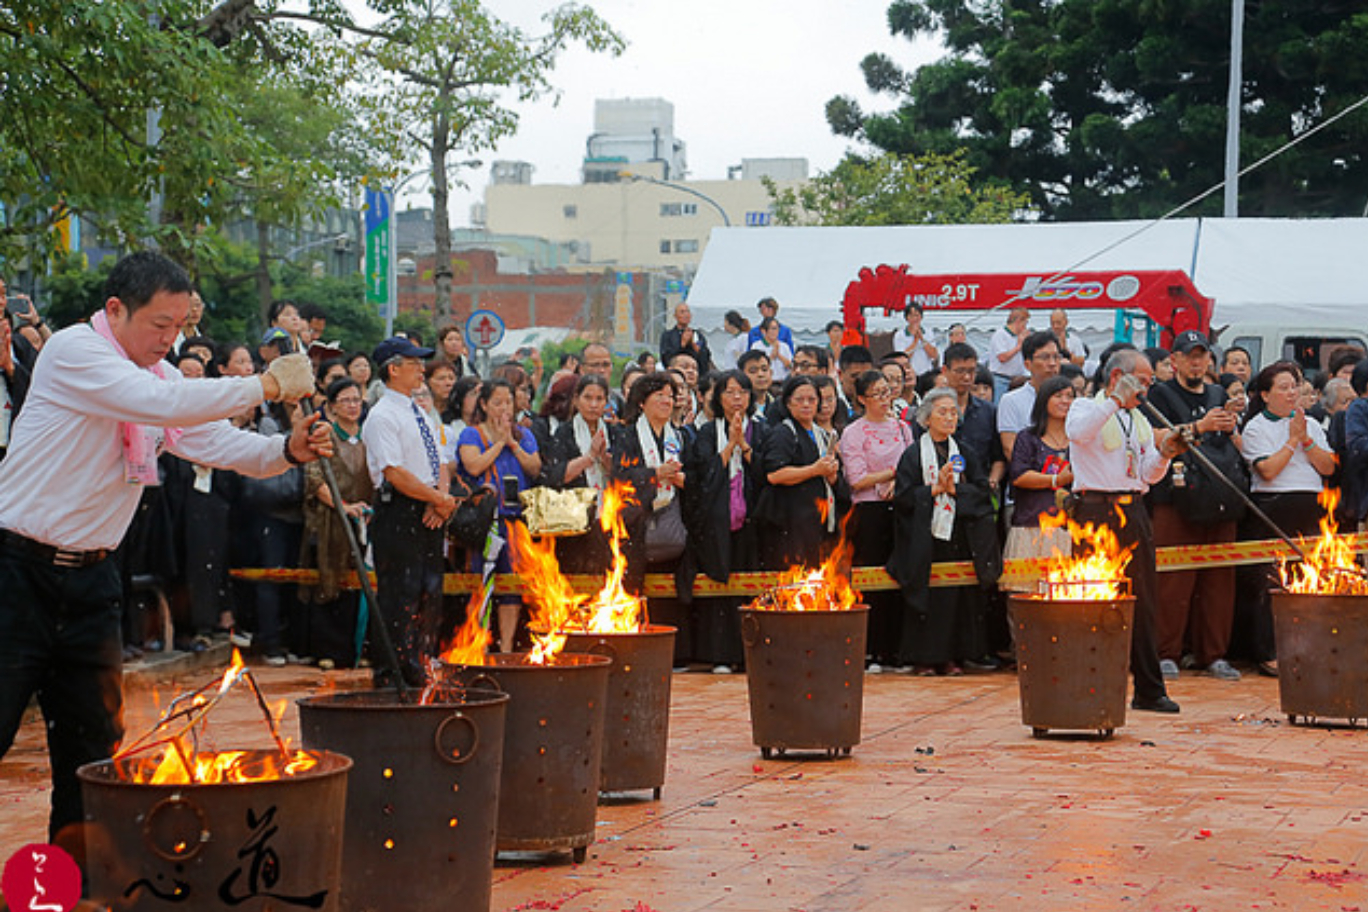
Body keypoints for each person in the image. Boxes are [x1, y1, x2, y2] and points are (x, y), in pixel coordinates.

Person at [0, 250, 327, 868]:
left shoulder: (162, 378)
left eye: (180, 328)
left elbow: (210, 440)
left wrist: (287, 449)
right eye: (160, 325)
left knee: (93, 754)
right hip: (16, 572)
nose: (170, 340)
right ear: (116, 310)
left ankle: (69, 891)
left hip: (94, 581)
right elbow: (160, 409)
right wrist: (266, 383)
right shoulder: (75, 352)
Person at [1065, 348, 1186, 713]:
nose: (1148, 390)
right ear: (1118, 377)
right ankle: (1087, 687)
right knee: (1092, 601)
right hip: (1094, 513)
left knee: (1144, 602)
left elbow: (1147, 473)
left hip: (1133, 511)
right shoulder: (1086, 407)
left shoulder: (1138, 420)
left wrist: (1166, 452)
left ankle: (1149, 690)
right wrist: (1115, 401)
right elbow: (1079, 433)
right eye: (1143, 382)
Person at [1146, 330, 1247, 682]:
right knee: (1173, 580)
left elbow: (1230, 443)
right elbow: (1160, 440)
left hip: (1219, 496)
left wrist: (1232, 424)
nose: (1196, 362)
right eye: (1190, 355)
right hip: (1174, 498)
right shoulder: (1159, 395)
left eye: (1202, 355)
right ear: (1174, 360)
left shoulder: (1219, 393)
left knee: (1220, 580)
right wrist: (1201, 426)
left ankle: (1213, 654)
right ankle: (1165, 652)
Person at [364, 335, 461, 685]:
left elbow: (441, 462)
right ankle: (392, 670)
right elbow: (394, 472)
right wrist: (435, 498)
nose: (422, 369)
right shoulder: (382, 416)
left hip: (430, 505)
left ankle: (420, 660)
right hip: (399, 509)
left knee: (428, 590)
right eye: (414, 363)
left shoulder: (419, 412)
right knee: (399, 592)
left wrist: (441, 497)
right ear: (393, 369)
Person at [886, 388, 1001, 675]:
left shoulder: (965, 452)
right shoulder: (912, 455)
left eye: (953, 412)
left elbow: (982, 493)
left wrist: (955, 491)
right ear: (926, 419)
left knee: (956, 597)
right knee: (930, 597)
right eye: (942, 412)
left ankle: (953, 656)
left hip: (959, 534)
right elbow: (902, 499)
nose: (950, 417)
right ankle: (924, 657)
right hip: (924, 537)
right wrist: (933, 491)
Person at [1237, 361, 1336, 677]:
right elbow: (1267, 469)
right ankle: (1267, 651)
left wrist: (1306, 438)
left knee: (1307, 578)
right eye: (1283, 387)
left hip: (1310, 504)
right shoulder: (1256, 427)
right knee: (1270, 582)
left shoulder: (1313, 425)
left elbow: (1329, 467)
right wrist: (1292, 440)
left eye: (1294, 386)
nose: (1291, 393)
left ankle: (1307, 648)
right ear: (1265, 395)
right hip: (1273, 503)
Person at [682, 371, 767, 672]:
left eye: (742, 392)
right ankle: (720, 654)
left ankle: (749, 653)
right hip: (716, 522)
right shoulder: (705, 433)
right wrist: (729, 445)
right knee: (720, 587)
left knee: (748, 586)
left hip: (750, 521)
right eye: (729, 392)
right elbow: (701, 477)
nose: (736, 398)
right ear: (718, 398)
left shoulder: (761, 430)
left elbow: (765, 474)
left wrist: (744, 445)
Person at [458, 378, 542, 653]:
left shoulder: (523, 435)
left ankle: (506, 646)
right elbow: (473, 466)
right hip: (485, 520)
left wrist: (513, 443)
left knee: (512, 584)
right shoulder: (472, 434)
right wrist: (498, 443)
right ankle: (477, 642)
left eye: (508, 402)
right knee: (481, 580)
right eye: (497, 403)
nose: (504, 408)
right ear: (483, 404)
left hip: (515, 518)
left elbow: (534, 467)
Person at [612, 373, 690, 661]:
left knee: (673, 592)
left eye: (670, 395)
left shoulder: (680, 435)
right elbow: (618, 478)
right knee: (634, 587)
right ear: (642, 402)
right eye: (659, 394)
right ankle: (632, 649)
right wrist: (654, 475)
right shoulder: (627, 436)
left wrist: (683, 479)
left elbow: (697, 476)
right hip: (635, 525)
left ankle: (674, 654)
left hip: (672, 520)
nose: (666, 400)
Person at [841, 370, 914, 670]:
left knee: (899, 577)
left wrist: (899, 482)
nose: (885, 399)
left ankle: (895, 650)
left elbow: (913, 465)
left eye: (887, 391)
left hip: (899, 508)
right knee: (870, 579)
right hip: (868, 512)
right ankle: (870, 649)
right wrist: (893, 474)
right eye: (877, 394)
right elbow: (857, 479)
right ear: (861, 399)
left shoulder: (903, 428)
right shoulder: (854, 432)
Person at [299, 377, 374, 670]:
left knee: (363, 586)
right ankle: (329, 649)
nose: (353, 406)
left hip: (366, 519)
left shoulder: (370, 436)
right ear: (331, 407)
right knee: (330, 582)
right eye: (345, 400)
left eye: (356, 400)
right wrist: (344, 507)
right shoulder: (324, 436)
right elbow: (315, 479)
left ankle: (361, 647)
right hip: (330, 520)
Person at [755, 376, 840, 570]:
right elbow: (774, 475)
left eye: (812, 400)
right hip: (789, 522)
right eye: (799, 400)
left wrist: (831, 473)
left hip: (818, 519)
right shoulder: (783, 433)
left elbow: (831, 478)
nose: (806, 404)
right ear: (788, 403)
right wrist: (814, 470)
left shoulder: (822, 433)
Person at [1002, 375, 1075, 592]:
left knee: (1067, 597)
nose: (1065, 401)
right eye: (1058, 396)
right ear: (1044, 401)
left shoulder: (1079, 438)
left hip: (1069, 528)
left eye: (1070, 396)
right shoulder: (1028, 437)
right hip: (1031, 525)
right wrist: (1056, 480)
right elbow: (1019, 475)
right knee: (1025, 598)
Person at [545, 374, 614, 575]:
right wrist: (590, 456)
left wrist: (605, 459)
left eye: (599, 399)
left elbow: (623, 476)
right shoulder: (564, 433)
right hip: (573, 522)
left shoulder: (614, 432)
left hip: (608, 518)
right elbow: (556, 477)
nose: (593, 404)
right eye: (588, 398)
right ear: (576, 400)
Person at [997, 331, 1062, 462]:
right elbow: (1010, 448)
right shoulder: (1011, 401)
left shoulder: (1069, 400)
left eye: (1056, 357)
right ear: (1028, 364)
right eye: (1045, 357)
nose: (1052, 363)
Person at [988, 307, 1031, 401]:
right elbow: (1002, 357)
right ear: (1018, 321)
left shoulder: (1019, 337)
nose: (1025, 326)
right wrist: (1018, 347)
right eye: (1025, 323)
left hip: (1018, 380)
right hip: (1001, 379)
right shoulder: (1000, 335)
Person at [659, 302, 713, 376]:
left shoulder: (697, 335)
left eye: (687, 312)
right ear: (675, 316)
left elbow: (706, 357)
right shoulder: (668, 335)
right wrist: (682, 344)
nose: (685, 315)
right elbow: (666, 358)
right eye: (682, 312)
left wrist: (696, 348)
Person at [892, 303, 939, 376]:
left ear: (921, 317)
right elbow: (902, 357)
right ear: (907, 318)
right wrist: (915, 341)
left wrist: (922, 339)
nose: (914, 318)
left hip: (927, 373)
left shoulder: (928, 332)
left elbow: (934, 355)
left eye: (917, 315)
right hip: (909, 374)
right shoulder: (900, 335)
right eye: (911, 316)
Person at [751, 316, 793, 382]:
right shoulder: (757, 346)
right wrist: (771, 357)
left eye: (777, 329)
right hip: (767, 382)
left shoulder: (784, 346)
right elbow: (756, 366)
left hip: (783, 381)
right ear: (763, 331)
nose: (775, 331)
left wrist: (778, 355)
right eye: (773, 329)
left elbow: (790, 366)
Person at [738, 349, 775, 418]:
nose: (760, 374)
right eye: (753, 371)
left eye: (764, 369)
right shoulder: (737, 406)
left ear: (771, 372)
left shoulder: (779, 405)